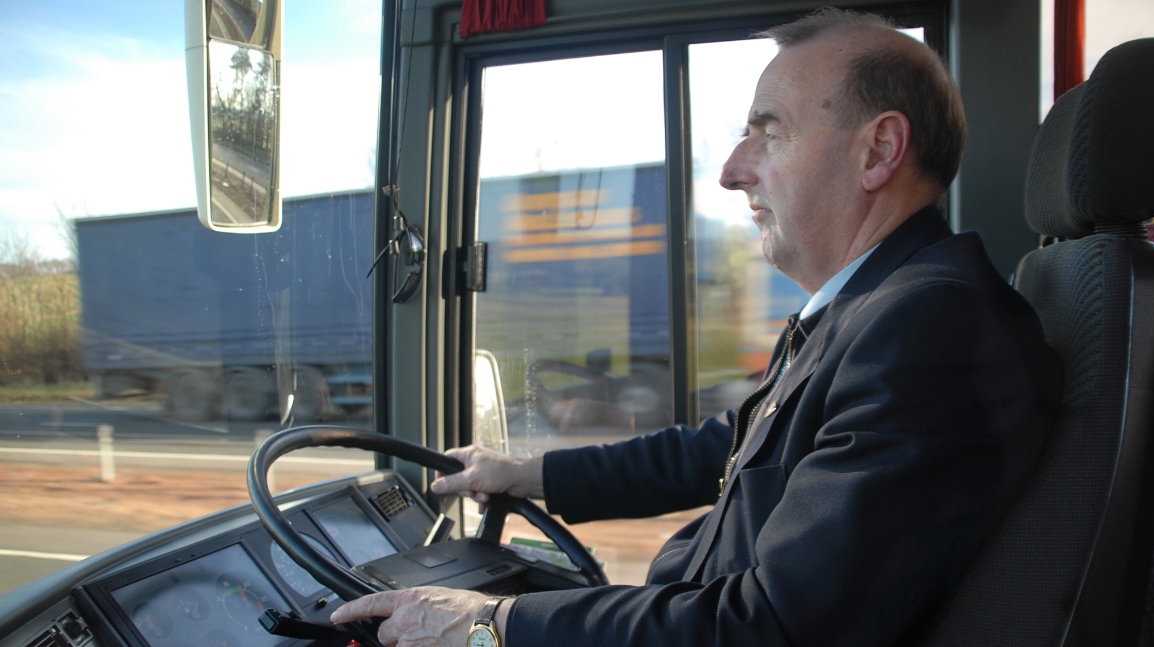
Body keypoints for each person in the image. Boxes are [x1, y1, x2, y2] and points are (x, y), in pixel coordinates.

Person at [331, 8, 1062, 645]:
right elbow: (730, 444)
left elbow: (771, 627)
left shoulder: (929, 326)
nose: (732, 170)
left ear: (878, 150)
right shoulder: (872, 307)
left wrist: (488, 627)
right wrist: (530, 473)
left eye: (767, 134)